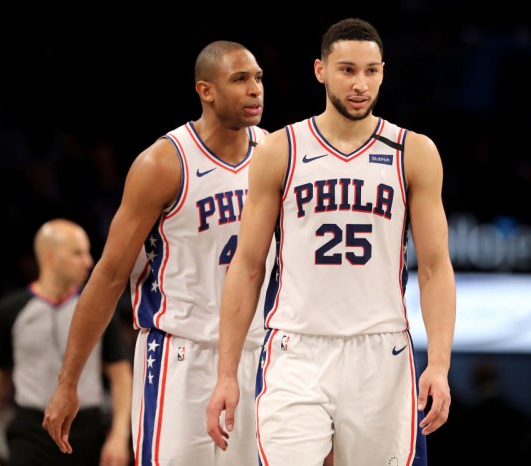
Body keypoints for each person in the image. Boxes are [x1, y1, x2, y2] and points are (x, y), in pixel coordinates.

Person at [206, 17, 456, 466]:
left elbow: (436, 268)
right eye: (347, 70)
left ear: (383, 72)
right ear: (320, 70)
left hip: (381, 349)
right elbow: (248, 265)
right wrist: (227, 374)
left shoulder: (413, 151)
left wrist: (438, 364)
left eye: (371, 71)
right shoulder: (280, 149)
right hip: (295, 348)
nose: (360, 84)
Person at [42, 40, 270, 466]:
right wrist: (68, 380)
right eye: (239, 79)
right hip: (179, 357)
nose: (255, 88)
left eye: (257, 78)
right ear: (206, 90)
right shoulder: (163, 163)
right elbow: (110, 274)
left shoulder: (273, 154)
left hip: (255, 352)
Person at [0, 219, 132, 466]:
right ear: (50, 257)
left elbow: (121, 374)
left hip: (88, 430)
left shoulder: (98, 310)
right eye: (77, 253)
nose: (89, 262)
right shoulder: (11, 310)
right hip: (31, 432)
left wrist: (120, 434)